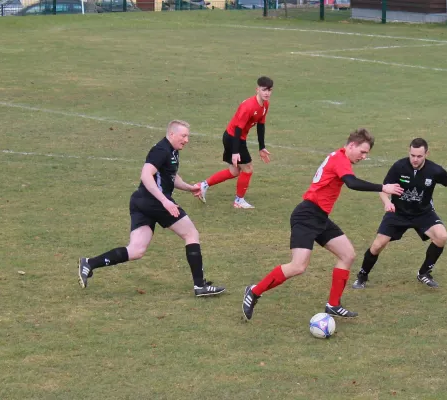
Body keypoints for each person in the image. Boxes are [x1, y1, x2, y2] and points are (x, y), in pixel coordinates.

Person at [241, 128, 404, 321]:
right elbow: (351, 183)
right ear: (351, 145)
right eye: (362, 152)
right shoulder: (340, 160)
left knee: (348, 255)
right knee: (298, 266)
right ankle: (254, 291)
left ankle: (333, 305)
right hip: (306, 215)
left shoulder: (340, 156)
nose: (364, 157)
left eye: (366, 153)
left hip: (320, 217)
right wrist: (382, 187)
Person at [77, 120, 226, 297]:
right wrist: (165, 201)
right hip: (155, 202)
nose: (186, 140)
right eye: (183, 136)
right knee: (191, 234)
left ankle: (89, 263)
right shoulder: (161, 150)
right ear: (172, 134)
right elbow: (146, 175)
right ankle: (199, 285)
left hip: (141, 201)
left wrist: (189, 187)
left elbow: (170, 175)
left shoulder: (172, 150)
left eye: (188, 136)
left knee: (136, 250)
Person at [352, 137, 447, 290]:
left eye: (419, 156)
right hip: (398, 213)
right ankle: (362, 275)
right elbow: (384, 189)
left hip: (423, 213)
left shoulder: (434, 170)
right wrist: (387, 202)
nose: (415, 159)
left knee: (441, 236)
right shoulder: (399, 166)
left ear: (426, 154)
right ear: (409, 152)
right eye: (412, 155)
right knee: (377, 245)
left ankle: (424, 272)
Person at [196, 76, 274, 209]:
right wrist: (235, 151)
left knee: (234, 171)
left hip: (234, 138)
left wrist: (262, 147)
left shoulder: (265, 104)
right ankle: (239, 201)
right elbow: (238, 129)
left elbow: (261, 125)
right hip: (234, 138)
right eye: (264, 90)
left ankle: (202, 185)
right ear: (257, 89)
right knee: (248, 168)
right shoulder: (248, 106)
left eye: (269, 90)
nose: (267, 93)